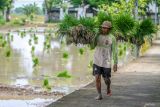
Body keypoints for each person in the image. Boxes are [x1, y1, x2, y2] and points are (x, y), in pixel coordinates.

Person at [93, 21, 117, 100]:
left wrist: (115, 63)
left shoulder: (112, 38)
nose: (104, 29)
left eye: (106, 28)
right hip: (97, 60)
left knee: (106, 79)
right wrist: (94, 37)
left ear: (109, 29)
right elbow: (92, 46)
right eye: (103, 27)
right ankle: (99, 95)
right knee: (97, 78)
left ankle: (108, 87)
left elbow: (114, 51)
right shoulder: (97, 36)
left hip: (107, 62)